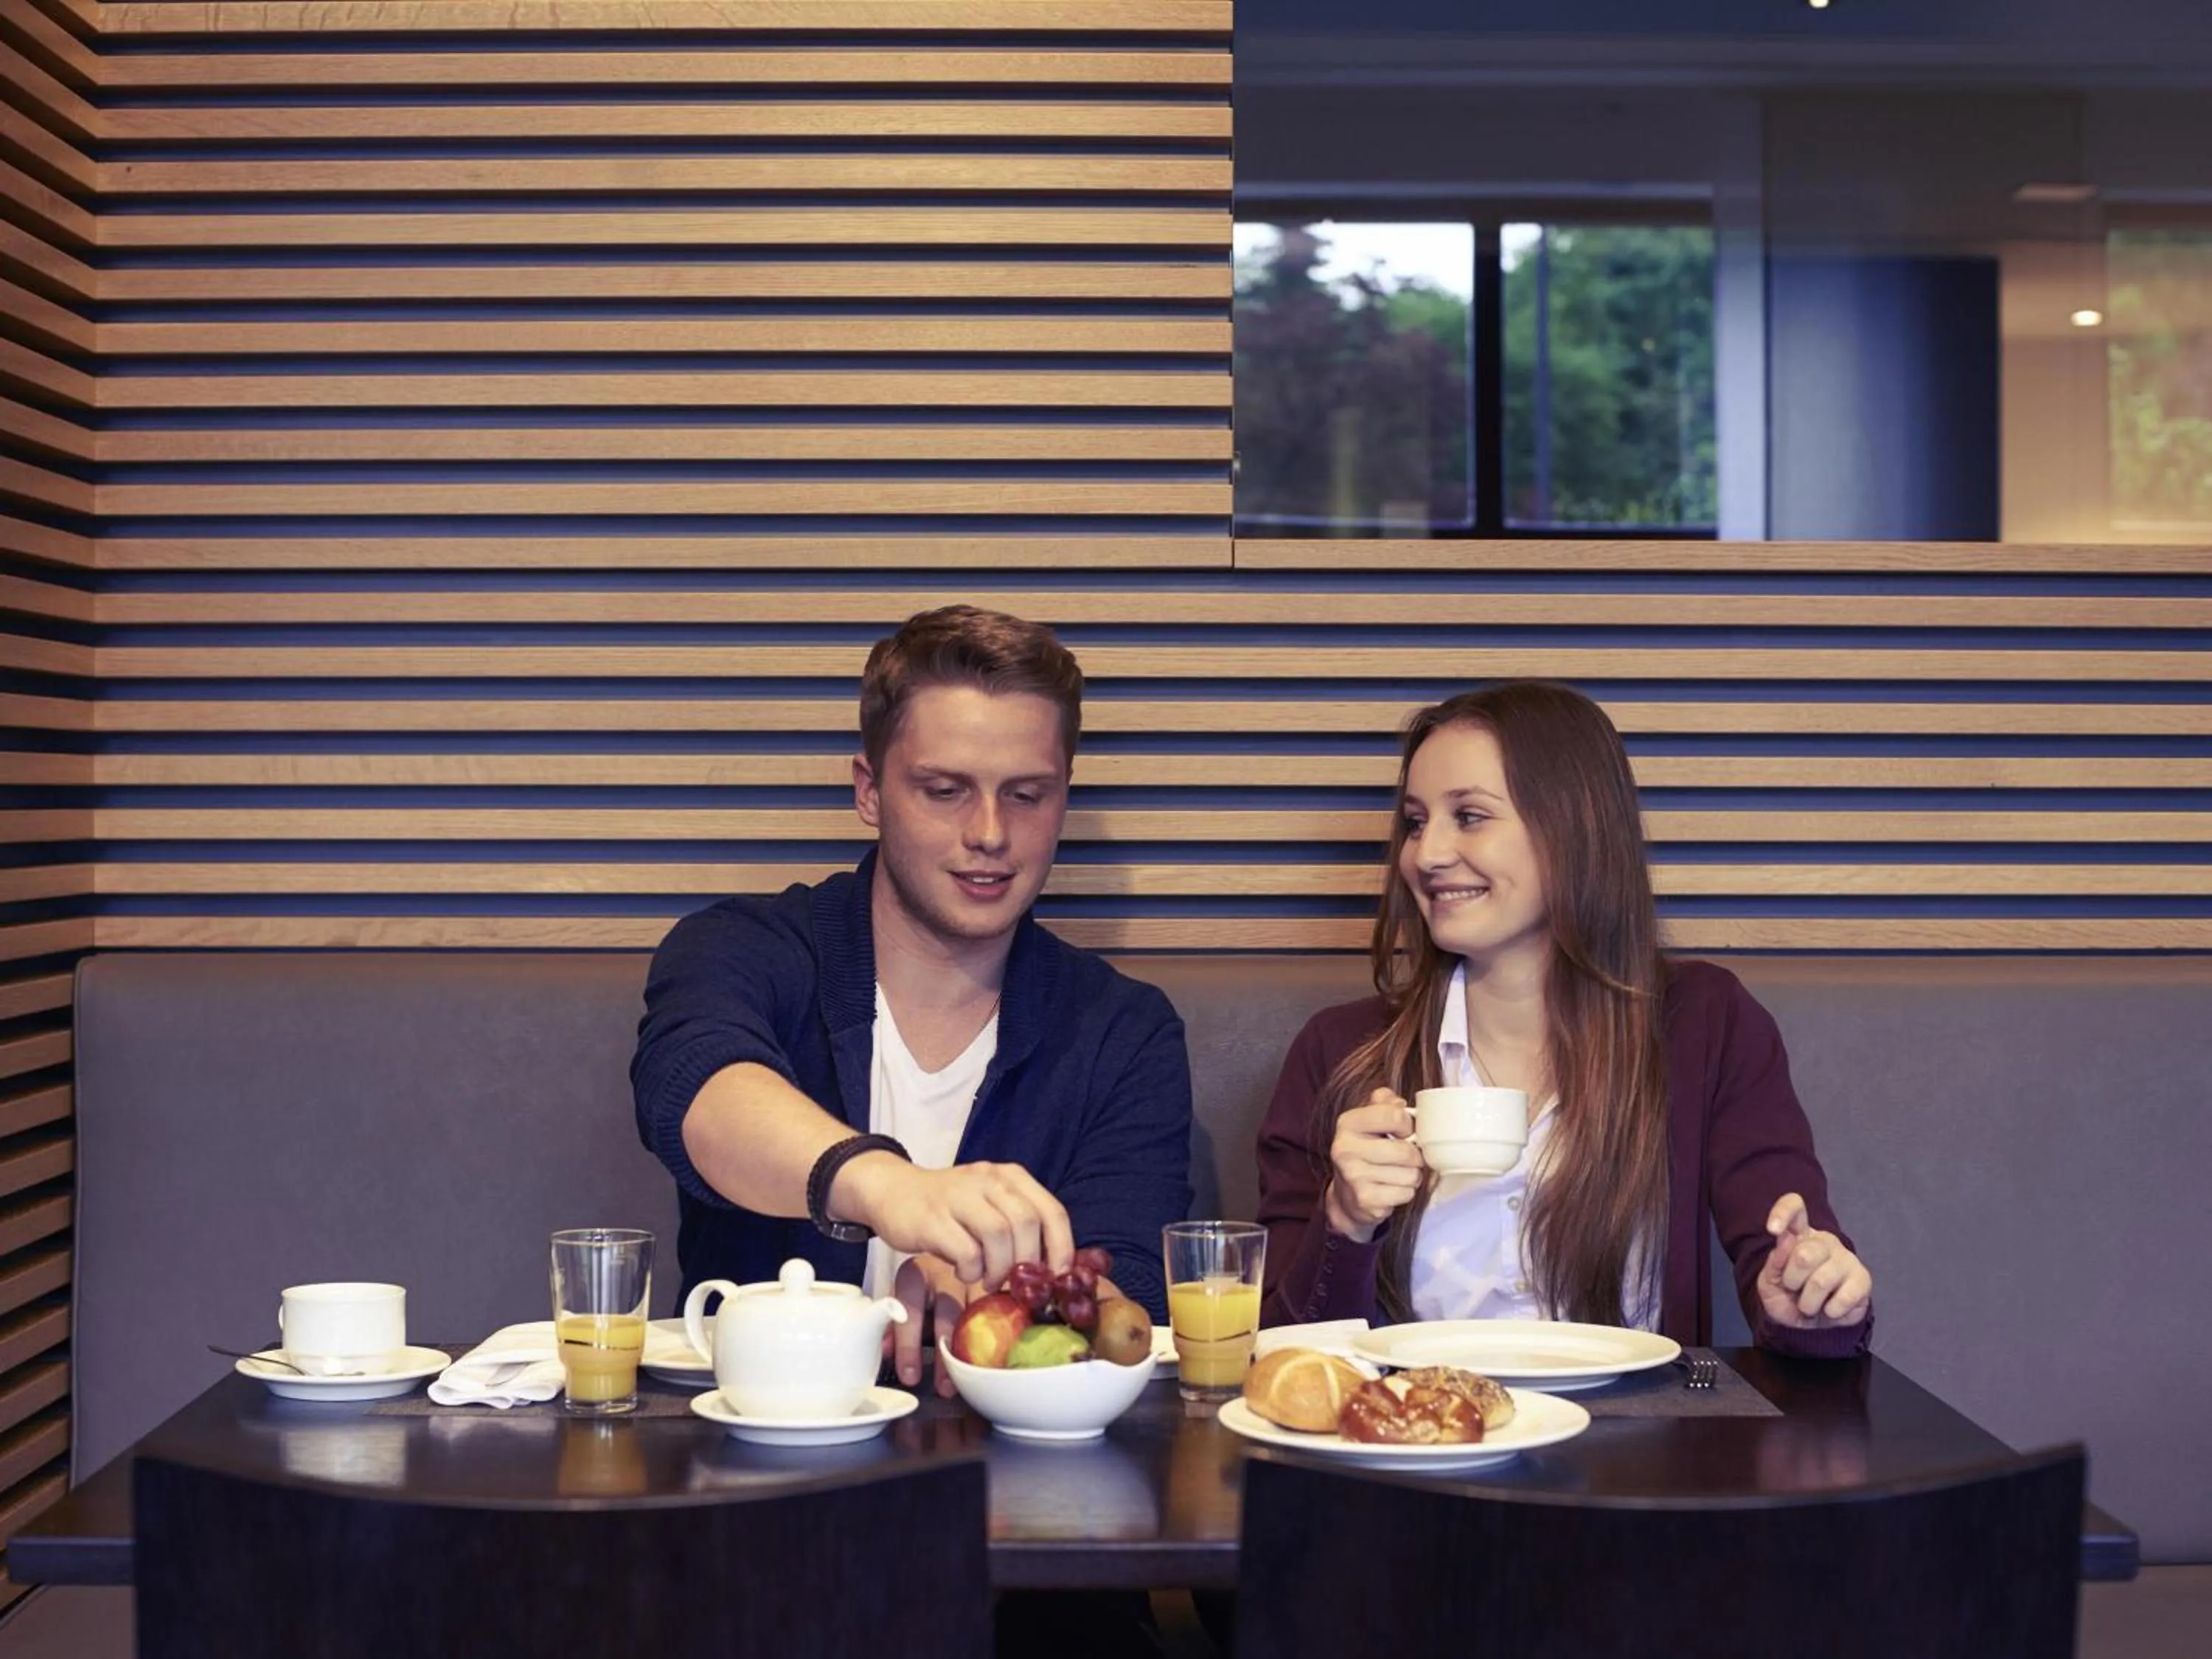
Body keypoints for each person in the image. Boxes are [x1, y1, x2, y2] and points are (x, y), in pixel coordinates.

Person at [631, 605, 1193, 1398]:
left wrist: (998, 1287)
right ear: (871, 791)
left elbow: (1131, 1292)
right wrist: (895, 1189)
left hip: (1011, 1470)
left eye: (1027, 794)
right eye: (944, 790)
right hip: (755, 1450)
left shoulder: (1123, 1030)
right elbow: (693, 1087)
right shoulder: (744, 948)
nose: (990, 832)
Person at [1256, 681, 1872, 1353]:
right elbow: (1286, 1355)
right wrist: (1344, 1223)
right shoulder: (1341, 1049)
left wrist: (1809, 1307)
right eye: (1414, 821)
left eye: (1469, 816)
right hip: (1413, 1443)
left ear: (1572, 829)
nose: (1425, 855)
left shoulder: (1705, 1023)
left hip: (1631, 1453)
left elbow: (1791, 1275)